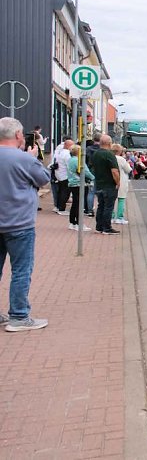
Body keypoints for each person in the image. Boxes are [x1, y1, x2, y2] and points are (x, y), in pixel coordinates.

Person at [0, 117, 51, 331]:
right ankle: (19, 317)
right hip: (19, 223)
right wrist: (33, 157)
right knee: (21, 270)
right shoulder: (24, 159)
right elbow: (43, 179)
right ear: (19, 135)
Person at [90, 134, 121, 235]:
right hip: (109, 184)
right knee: (108, 207)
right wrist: (118, 182)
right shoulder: (109, 154)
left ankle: (99, 227)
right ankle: (107, 228)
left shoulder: (95, 154)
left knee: (101, 206)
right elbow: (114, 171)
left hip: (99, 183)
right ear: (109, 143)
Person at [67, 144, 94, 231]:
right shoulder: (78, 161)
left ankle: (72, 222)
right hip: (80, 183)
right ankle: (79, 223)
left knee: (75, 203)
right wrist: (93, 177)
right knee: (80, 204)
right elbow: (86, 171)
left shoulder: (70, 160)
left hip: (72, 183)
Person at [51, 136, 74, 214]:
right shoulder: (67, 154)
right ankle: (61, 208)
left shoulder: (60, 152)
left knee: (61, 191)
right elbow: (69, 165)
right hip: (65, 175)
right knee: (65, 192)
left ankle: (59, 207)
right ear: (68, 145)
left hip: (59, 174)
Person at [112, 144, 132, 225]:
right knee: (121, 199)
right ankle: (119, 217)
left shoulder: (110, 158)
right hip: (122, 180)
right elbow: (128, 169)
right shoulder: (121, 159)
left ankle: (112, 216)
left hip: (112, 180)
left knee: (112, 200)